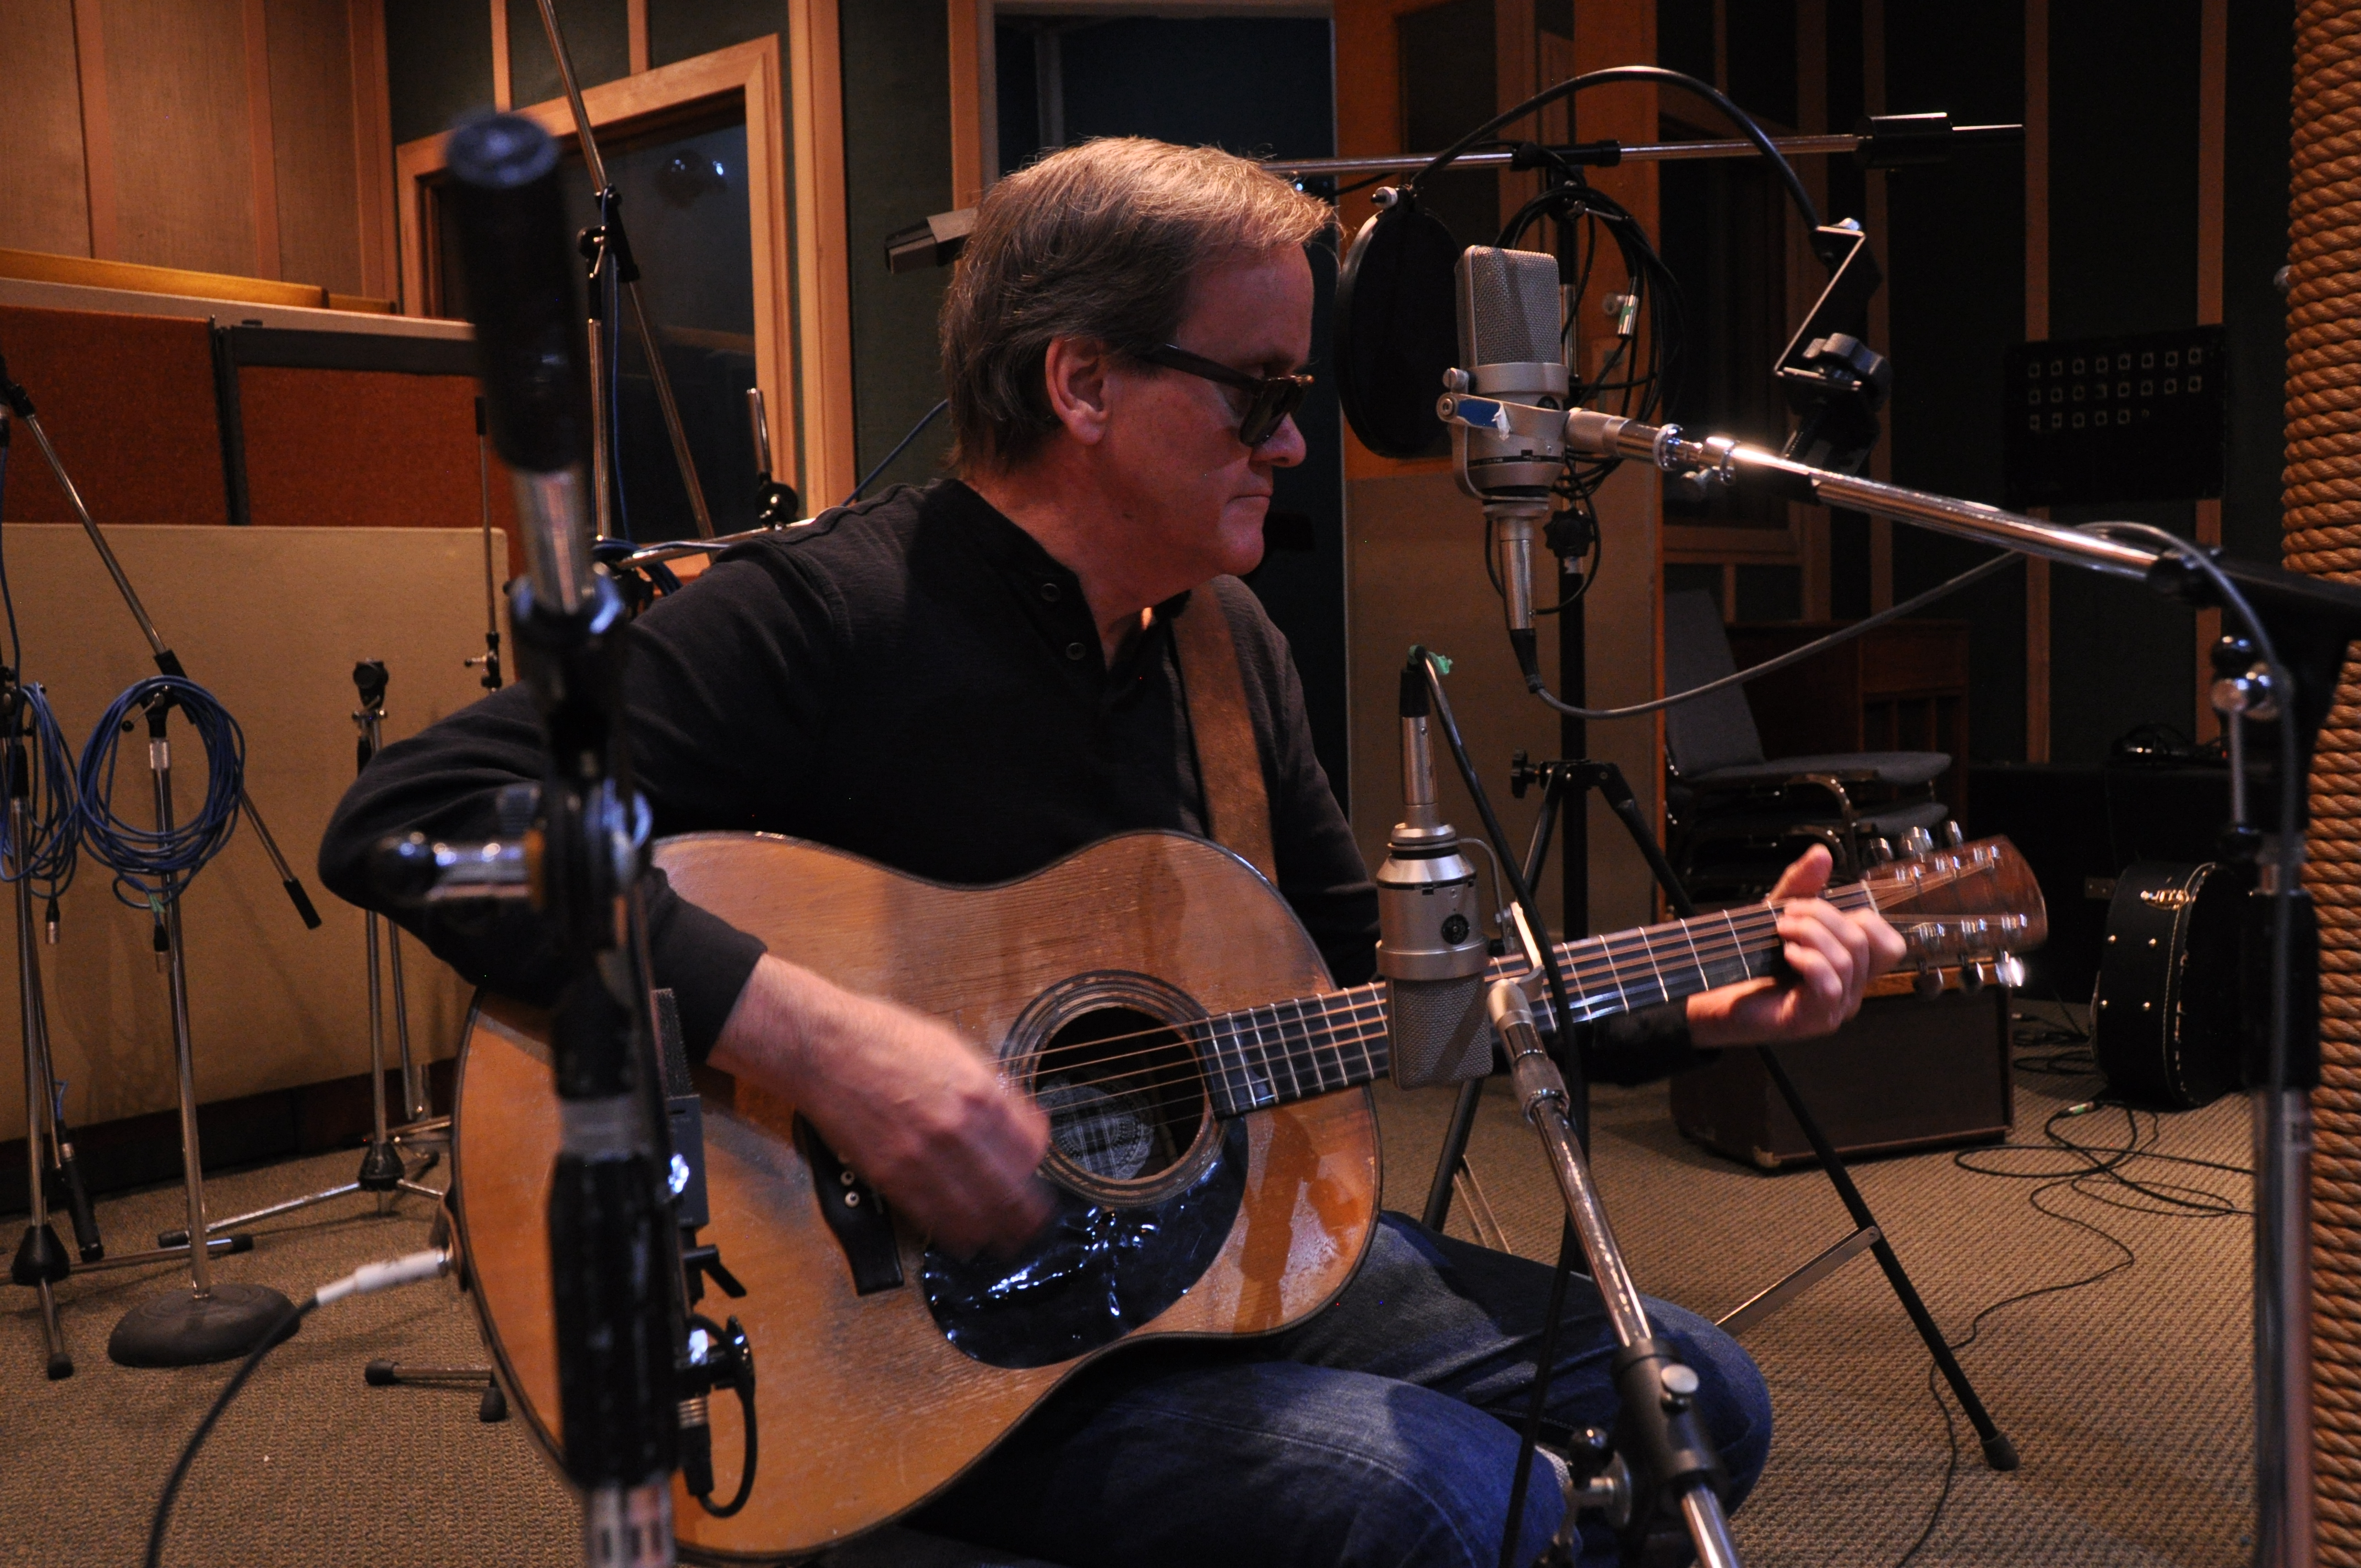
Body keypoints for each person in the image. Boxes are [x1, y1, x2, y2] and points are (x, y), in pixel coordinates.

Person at [321, 137, 1903, 1568]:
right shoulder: (825, 614)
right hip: (911, 1334)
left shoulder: (1230, 652)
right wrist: (832, 1046)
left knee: (1698, 1406)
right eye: (1261, 393)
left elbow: (1368, 969)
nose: (1293, 447)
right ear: (1082, 384)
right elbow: (414, 819)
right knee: (1437, 1498)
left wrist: (1699, 1002)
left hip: (1215, 1262)